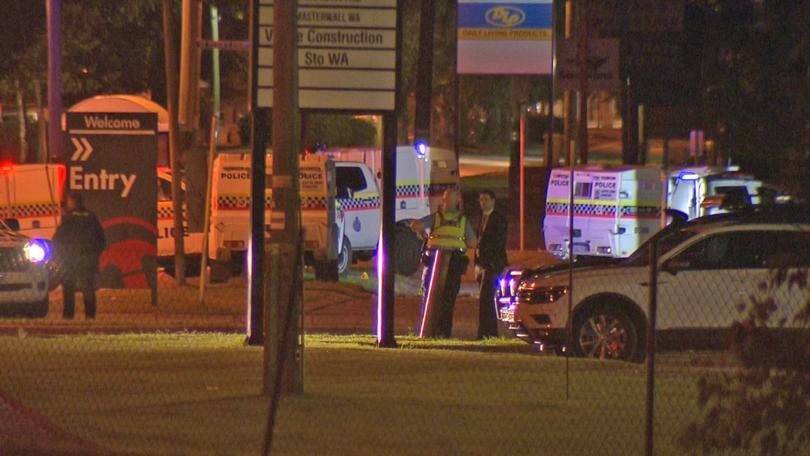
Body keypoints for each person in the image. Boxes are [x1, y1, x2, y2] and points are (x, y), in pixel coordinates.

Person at [410, 188, 477, 338]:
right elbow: (472, 242)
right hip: (450, 262)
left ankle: (432, 331)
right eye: (448, 198)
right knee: (447, 300)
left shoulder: (437, 218)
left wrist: (425, 237)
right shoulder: (461, 220)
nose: (449, 201)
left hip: (438, 262)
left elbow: (415, 225)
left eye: (449, 199)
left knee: (435, 297)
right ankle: (441, 332)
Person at [53, 193, 106, 320]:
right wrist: (94, 253)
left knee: (68, 287)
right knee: (88, 287)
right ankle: (90, 315)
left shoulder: (69, 218)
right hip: (88, 258)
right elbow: (101, 239)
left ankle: (68, 315)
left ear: (73, 202)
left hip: (70, 259)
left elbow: (59, 238)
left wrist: (59, 254)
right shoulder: (91, 217)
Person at [474, 190, 508, 339]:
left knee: (486, 299)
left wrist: (488, 263)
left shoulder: (498, 219)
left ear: (493, 201)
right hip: (483, 264)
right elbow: (479, 242)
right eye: (481, 200)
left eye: (486, 200)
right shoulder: (482, 218)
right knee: (484, 299)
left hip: (492, 265)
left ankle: (487, 333)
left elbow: (497, 244)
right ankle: (486, 332)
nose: (483, 203)